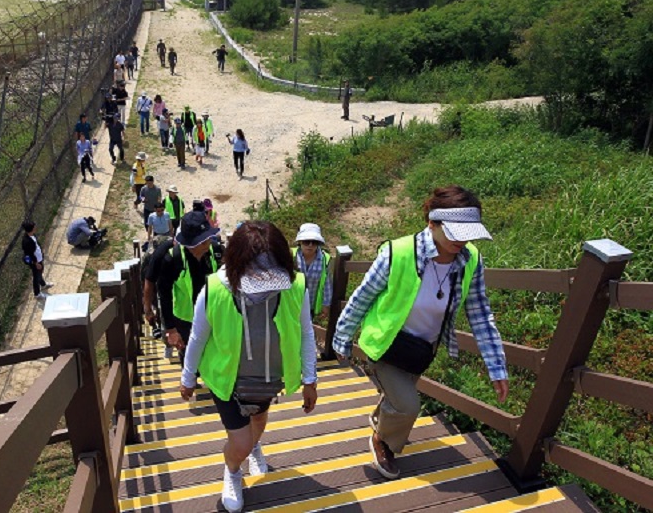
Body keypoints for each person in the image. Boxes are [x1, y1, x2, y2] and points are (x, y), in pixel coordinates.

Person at [333, 185, 509, 480]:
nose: (462, 242)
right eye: (455, 233)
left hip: (421, 349)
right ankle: (383, 442)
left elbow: (479, 312)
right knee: (408, 405)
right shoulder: (398, 252)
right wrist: (342, 337)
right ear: (432, 223)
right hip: (385, 344)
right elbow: (362, 296)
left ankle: (384, 417)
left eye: (468, 234)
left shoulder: (470, 260)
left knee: (399, 399)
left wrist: (497, 366)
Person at [179, 221, 318, 513]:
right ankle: (232, 469)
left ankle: (254, 447)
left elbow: (306, 332)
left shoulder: (295, 286)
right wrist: (188, 376)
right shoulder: (214, 289)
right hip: (227, 380)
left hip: (268, 378)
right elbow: (197, 336)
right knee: (239, 441)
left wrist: (310, 379)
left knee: (258, 423)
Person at [157, 211, 223, 365]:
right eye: (202, 241)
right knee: (190, 360)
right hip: (185, 321)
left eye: (207, 239)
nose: (207, 244)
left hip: (213, 317)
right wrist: (171, 329)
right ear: (190, 243)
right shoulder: (172, 259)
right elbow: (164, 293)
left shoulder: (216, 251)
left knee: (214, 358)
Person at [293, 223, 332, 319]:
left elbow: (327, 283)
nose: (310, 245)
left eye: (314, 242)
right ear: (300, 242)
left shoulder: (324, 259)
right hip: (292, 303)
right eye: (306, 242)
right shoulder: (291, 255)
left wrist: (326, 304)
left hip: (310, 306)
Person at [21, 220, 53, 300]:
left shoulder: (31, 236)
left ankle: (43, 285)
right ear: (31, 229)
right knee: (36, 277)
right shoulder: (27, 242)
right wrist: (36, 263)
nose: (36, 227)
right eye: (34, 227)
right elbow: (30, 254)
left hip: (39, 259)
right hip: (36, 262)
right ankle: (37, 294)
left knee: (39, 273)